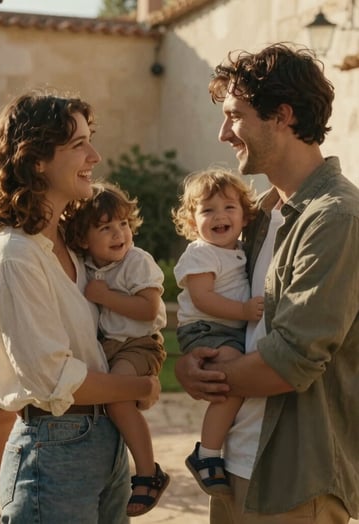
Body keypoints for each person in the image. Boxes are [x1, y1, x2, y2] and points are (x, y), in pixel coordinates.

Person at [175, 42, 359, 524]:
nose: (223, 132)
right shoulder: (260, 216)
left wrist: (198, 377)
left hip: (295, 481)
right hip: (234, 465)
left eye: (235, 115)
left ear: (281, 115)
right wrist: (196, 357)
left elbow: (291, 361)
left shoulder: (335, 218)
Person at [0, 90, 161, 524]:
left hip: (105, 438)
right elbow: (54, 379)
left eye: (91, 139)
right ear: (37, 159)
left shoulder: (75, 245)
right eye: (78, 144)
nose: (95, 155)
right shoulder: (14, 255)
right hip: (53, 449)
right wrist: (141, 388)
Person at [65, 181, 170, 517]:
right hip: (111, 347)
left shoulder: (136, 261)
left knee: (118, 398)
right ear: (83, 239)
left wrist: (105, 296)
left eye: (123, 224)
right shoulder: (87, 264)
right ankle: (119, 469)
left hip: (140, 344)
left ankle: (147, 472)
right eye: (105, 227)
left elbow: (148, 310)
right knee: (107, 401)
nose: (118, 233)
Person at [171, 168, 263, 495]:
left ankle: (212, 450)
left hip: (227, 329)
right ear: (193, 220)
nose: (219, 216)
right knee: (231, 382)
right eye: (207, 210)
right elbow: (203, 297)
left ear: (244, 215)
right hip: (207, 329)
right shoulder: (201, 252)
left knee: (235, 382)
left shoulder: (238, 249)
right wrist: (243, 311)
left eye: (228, 208)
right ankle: (206, 453)